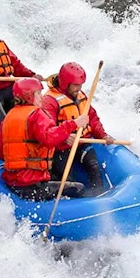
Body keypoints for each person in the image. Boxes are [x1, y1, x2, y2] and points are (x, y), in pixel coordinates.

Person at [0, 78, 88, 201]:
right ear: (28, 96)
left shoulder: (8, 117)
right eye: (38, 93)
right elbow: (49, 138)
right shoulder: (36, 114)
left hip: (13, 183)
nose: (41, 97)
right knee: (79, 188)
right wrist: (74, 123)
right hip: (32, 185)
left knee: (54, 177)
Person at [42, 62, 115, 196]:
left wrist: (103, 135)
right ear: (65, 83)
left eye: (80, 84)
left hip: (81, 143)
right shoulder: (50, 101)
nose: (79, 88)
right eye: (76, 85)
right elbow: (46, 129)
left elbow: (92, 118)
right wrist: (64, 137)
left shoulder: (80, 95)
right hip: (60, 148)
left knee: (93, 166)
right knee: (67, 180)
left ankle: (98, 199)